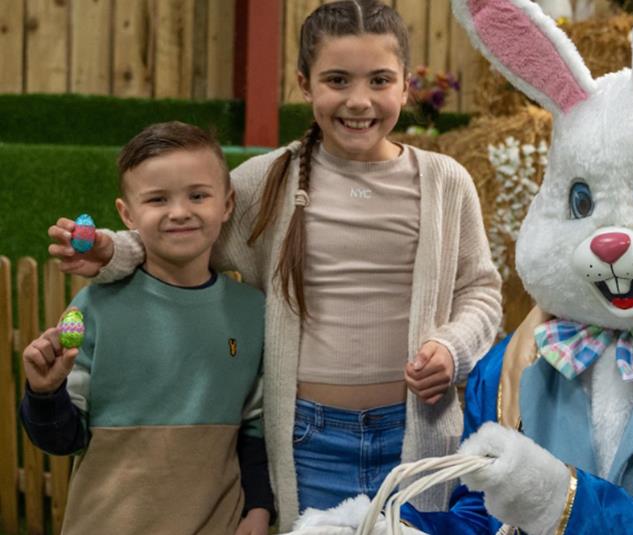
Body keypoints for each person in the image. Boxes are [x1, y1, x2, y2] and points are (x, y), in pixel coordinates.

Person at [47, 1, 503, 530]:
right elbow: (187, 233)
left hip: (418, 434)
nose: (359, 100)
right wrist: (112, 250)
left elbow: (481, 291)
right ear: (305, 85)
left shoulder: (446, 180)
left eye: (380, 80)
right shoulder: (267, 181)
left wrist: (452, 347)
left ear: (406, 86)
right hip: (307, 440)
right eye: (336, 80)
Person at [21, 121, 273, 534]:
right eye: (157, 199)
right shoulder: (94, 307)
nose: (179, 211)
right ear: (127, 214)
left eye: (198, 195)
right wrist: (45, 394)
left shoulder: (251, 311)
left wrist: (259, 509)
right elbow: (61, 440)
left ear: (226, 204)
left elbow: (255, 428)